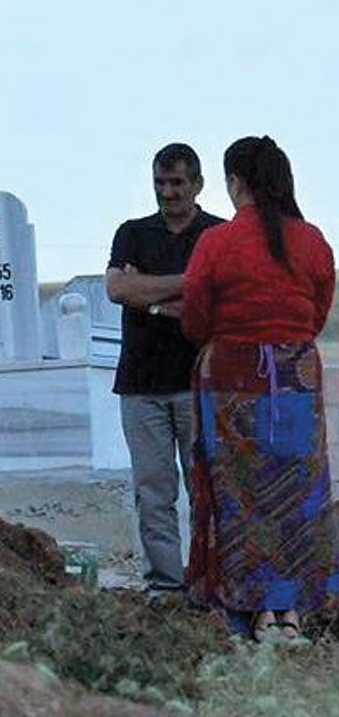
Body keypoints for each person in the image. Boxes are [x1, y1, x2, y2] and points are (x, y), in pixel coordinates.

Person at [183, 135, 338, 643]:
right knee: (297, 495)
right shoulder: (313, 240)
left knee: (239, 497)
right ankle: (290, 612)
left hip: (231, 379)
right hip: (296, 378)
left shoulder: (217, 243)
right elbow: (315, 314)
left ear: (234, 183)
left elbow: (196, 317)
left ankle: (251, 611)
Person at [105, 143, 225, 600]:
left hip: (199, 382)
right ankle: (166, 587)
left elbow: (220, 303)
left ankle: (207, 582)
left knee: (205, 491)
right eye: (160, 182)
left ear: (197, 184)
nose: (167, 192)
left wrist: (149, 295)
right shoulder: (133, 233)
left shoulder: (218, 235)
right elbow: (118, 288)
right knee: (153, 491)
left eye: (177, 183)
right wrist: (190, 285)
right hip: (141, 385)